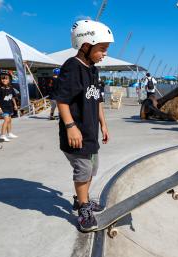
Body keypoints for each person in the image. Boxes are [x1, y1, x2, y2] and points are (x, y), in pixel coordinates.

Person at [53, 20, 113, 231]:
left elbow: (97, 101)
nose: (104, 54)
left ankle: (82, 199)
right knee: (83, 169)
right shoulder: (72, 67)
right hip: (75, 135)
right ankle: (83, 210)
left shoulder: (93, 70)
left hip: (90, 134)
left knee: (91, 169)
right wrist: (70, 126)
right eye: (102, 49)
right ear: (86, 45)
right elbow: (62, 100)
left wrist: (103, 125)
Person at [0, 70, 18, 142]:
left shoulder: (11, 88)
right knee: (6, 120)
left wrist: (15, 105)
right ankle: (2, 135)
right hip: (3, 108)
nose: (4, 80)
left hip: (10, 107)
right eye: (2, 78)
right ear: (0, 80)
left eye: (6, 78)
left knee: (9, 120)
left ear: (9, 79)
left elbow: (13, 97)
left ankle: (9, 133)